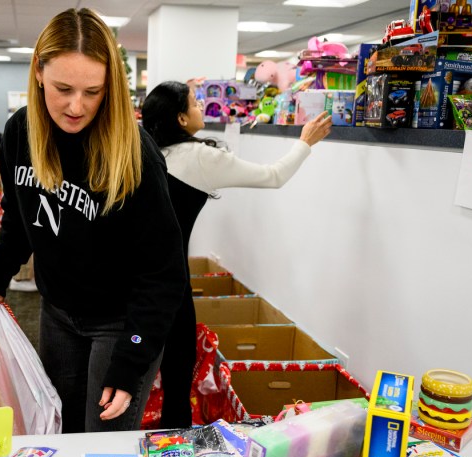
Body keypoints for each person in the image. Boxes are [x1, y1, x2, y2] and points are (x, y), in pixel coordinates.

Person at [0, 8, 186, 433]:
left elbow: (165, 272)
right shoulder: (20, 133)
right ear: (38, 73)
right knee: (60, 435)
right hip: (59, 312)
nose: (75, 106)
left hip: (123, 322)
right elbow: (20, 217)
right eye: (62, 88)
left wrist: (131, 361)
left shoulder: (135, 153)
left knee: (101, 456)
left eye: (93, 92)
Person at [141, 81, 332, 428]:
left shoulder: (143, 153)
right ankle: (175, 447)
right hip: (170, 284)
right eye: (196, 104)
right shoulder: (200, 157)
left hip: (133, 279)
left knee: (132, 374)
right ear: (181, 119)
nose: (202, 109)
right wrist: (305, 142)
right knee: (177, 370)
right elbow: (273, 176)